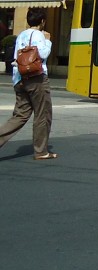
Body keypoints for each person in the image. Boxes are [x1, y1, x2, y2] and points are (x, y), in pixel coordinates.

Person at [0, 8, 57, 160]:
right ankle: (41, 151)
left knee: (20, 116)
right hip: (36, 78)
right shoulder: (39, 35)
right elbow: (43, 54)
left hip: (19, 78)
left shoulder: (21, 35)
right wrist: (48, 41)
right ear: (42, 21)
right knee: (43, 114)